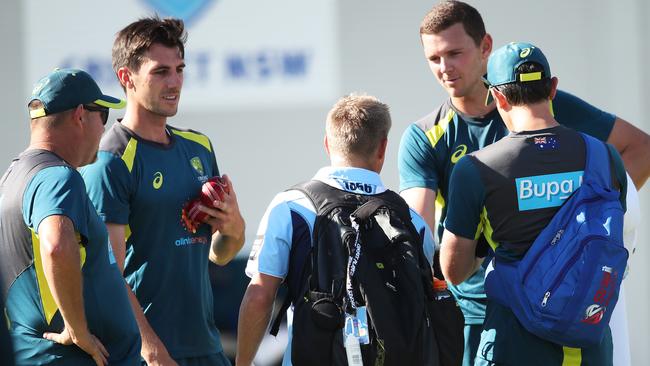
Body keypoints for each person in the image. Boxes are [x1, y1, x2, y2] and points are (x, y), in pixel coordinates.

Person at [397, 1, 650, 364]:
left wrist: (566, 228)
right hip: (479, 311)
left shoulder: (538, 109)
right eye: (433, 59)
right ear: (550, 87)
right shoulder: (425, 136)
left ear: (485, 47)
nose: (445, 68)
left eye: (454, 53)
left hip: (560, 304)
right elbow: (419, 229)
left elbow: (640, 148)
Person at [439, 41, 628, 365]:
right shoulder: (604, 156)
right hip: (589, 340)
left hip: (517, 343)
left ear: (497, 96)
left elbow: (454, 271)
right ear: (553, 88)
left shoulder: (477, 168)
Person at [80, 17, 245, 366]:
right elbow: (106, 271)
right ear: (127, 78)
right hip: (148, 354)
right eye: (160, 72)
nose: (175, 83)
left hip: (206, 346)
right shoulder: (110, 160)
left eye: (179, 70)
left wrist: (232, 226)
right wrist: (150, 348)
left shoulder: (199, 147)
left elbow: (222, 254)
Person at [236, 94, 437, 366]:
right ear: (383, 148)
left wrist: (242, 362)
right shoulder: (411, 220)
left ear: (327, 144)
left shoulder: (292, 206)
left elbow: (260, 294)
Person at [0, 68, 141, 365]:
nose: (104, 128)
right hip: (66, 356)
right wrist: (78, 331)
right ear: (80, 116)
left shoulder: (12, 177)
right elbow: (57, 245)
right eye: (102, 115)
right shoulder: (58, 177)